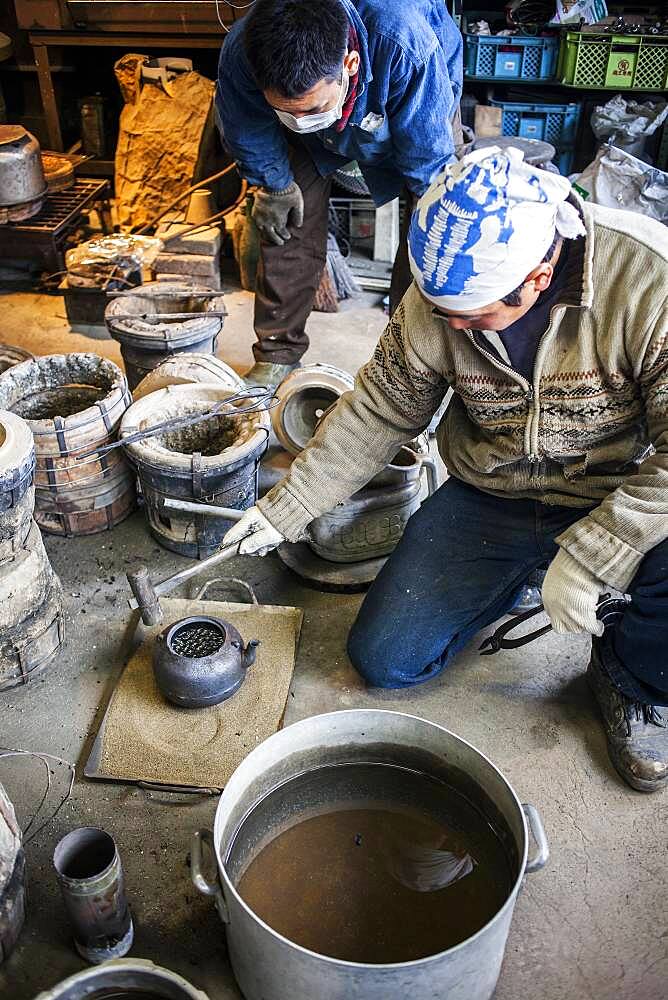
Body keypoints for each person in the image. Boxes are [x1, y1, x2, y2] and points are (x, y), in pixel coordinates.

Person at [223, 147, 668, 794]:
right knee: (386, 660)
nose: (453, 327)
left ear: (538, 278)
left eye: (473, 314)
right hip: (500, 489)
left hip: (617, 489)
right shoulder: (438, 301)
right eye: (442, 311)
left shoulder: (647, 282)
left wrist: (597, 552)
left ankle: (629, 676)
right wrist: (287, 506)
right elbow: (381, 409)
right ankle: (519, 573)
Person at [216, 0, 463, 387]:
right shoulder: (243, 48)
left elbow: (428, 163)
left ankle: (413, 369)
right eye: (286, 111)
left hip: (412, 90)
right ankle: (277, 353)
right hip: (334, 86)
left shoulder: (403, 41)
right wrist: (274, 184)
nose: (299, 123)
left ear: (348, 65)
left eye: (310, 109)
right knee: (286, 221)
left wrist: (435, 208)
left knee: (429, 231)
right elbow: (245, 125)